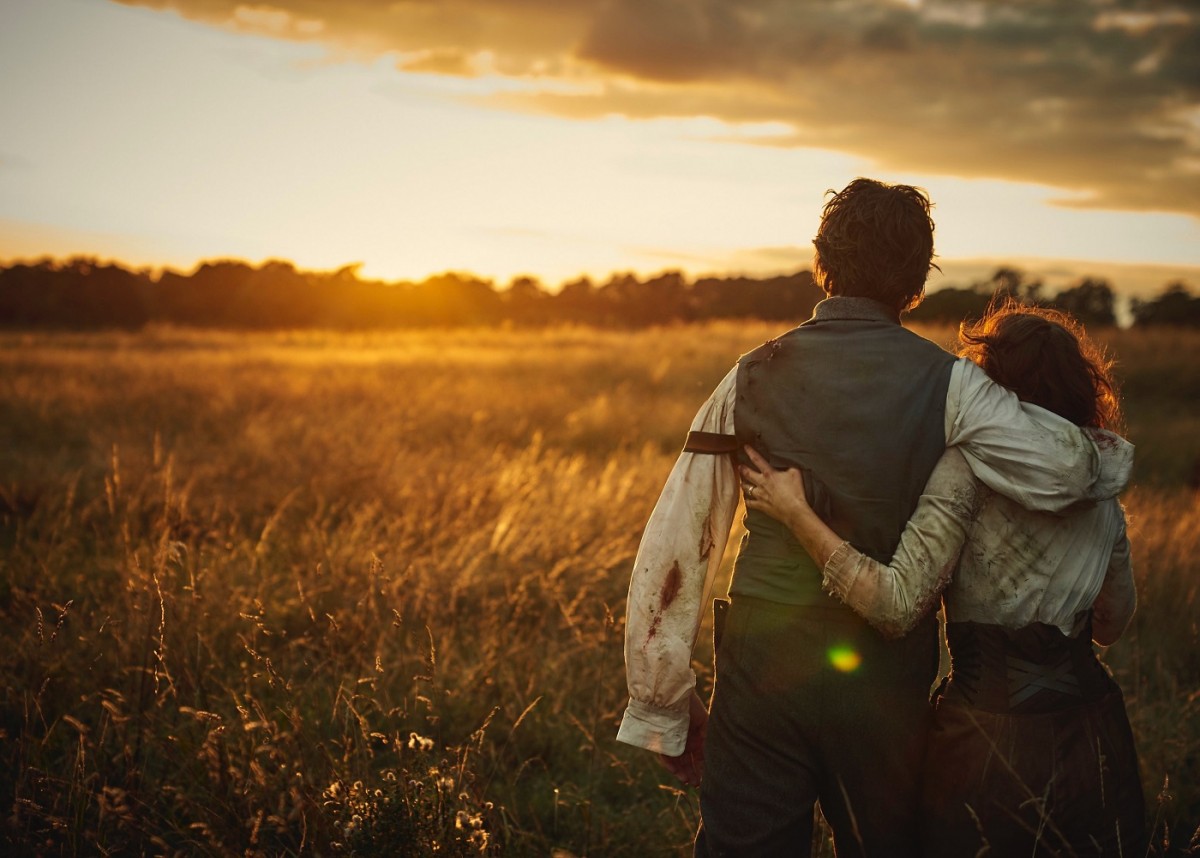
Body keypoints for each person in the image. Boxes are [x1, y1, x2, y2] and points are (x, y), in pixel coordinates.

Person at [615, 178, 1133, 857]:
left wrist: (663, 698)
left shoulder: (748, 375)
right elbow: (1067, 469)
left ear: (822, 263)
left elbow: (681, 540)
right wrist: (1110, 458)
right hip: (885, 678)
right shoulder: (953, 384)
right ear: (915, 283)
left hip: (762, 667)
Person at [739, 303, 1145, 856]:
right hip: (1094, 735)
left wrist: (796, 515)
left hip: (986, 744)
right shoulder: (1103, 481)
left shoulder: (967, 467)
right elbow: (1111, 625)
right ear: (1082, 386)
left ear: (994, 387)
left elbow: (895, 605)